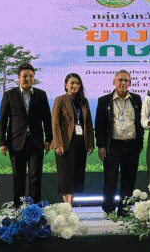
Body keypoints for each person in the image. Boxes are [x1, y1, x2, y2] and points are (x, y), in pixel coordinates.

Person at [0, 63, 52, 208]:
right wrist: (2, 142)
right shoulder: (9, 95)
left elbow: (47, 119)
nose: (28, 79)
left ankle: (35, 211)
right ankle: (19, 210)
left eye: (31, 76)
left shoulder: (41, 95)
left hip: (36, 142)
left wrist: (49, 139)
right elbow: (3, 120)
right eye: (25, 76)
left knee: (35, 178)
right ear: (18, 78)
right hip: (16, 143)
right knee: (18, 178)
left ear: (34, 78)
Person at [95, 70, 144, 216]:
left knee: (128, 180)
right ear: (114, 82)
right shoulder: (104, 100)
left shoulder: (136, 99)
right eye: (120, 80)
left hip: (132, 145)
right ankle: (109, 209)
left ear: (130, 83)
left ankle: (124, 209)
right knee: (110, 180)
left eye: (126, 80)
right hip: (113, 146)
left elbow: (140, 121)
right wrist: (101, 146)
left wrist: (140, 142)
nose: (123, 83)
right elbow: (99, 125)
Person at [50, 73, 94, 205]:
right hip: (65, 145)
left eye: (77, 83)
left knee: (76, 178)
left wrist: (91, 143)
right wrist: (58, 143)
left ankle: (70, 207)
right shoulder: (60, 100)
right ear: (66, 85)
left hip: (80, 144)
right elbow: (55, 123)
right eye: (72, 83)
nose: (75, 85)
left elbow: (89, 124)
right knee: (66, 180)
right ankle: (67, 209)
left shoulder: (84, 101)